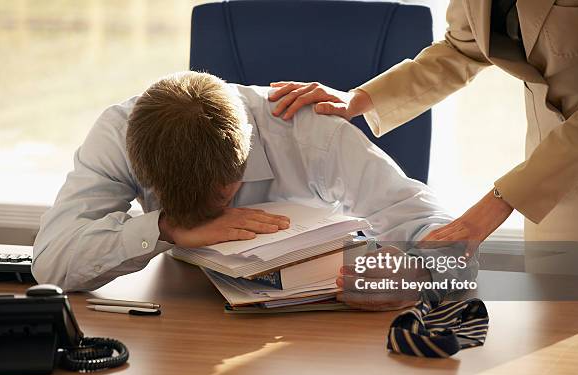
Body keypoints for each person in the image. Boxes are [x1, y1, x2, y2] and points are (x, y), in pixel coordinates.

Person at [33, 71, 475, 309]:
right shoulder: (117, 133)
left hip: (314, 329)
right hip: (188, 310)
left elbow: (437, 231)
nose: (210, 217)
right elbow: (51, 263)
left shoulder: (309, 131)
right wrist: (166, 228)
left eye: (218, 200)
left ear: (241, 165)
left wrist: (415, 274)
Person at [268, 0, 578, 250]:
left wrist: (500, 201)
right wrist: (358, 100)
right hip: (552, 186)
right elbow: (462, 48)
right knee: (556, 316)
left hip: (566, 158)